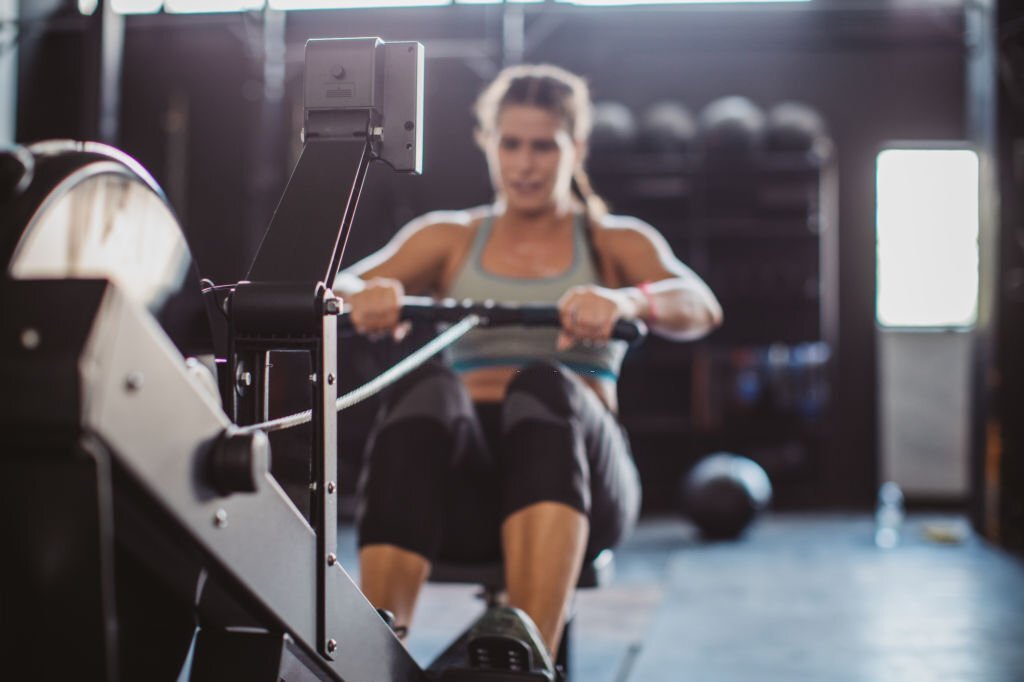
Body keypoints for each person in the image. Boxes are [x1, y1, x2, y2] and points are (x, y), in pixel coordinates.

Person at [335, 64, 722, 672]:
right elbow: (340, 285)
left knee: (542, 383)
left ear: (577, 148)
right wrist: (368, 293)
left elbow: (700, 304)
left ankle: (528, 659)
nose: (525, 164)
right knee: (425, 389)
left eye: (544, 145)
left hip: (583, 490)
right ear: (488, 144)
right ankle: (374, 657)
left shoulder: (612, 241)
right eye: (510, 144)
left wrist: (628, 301)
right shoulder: (451, 238)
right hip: (463, 498)